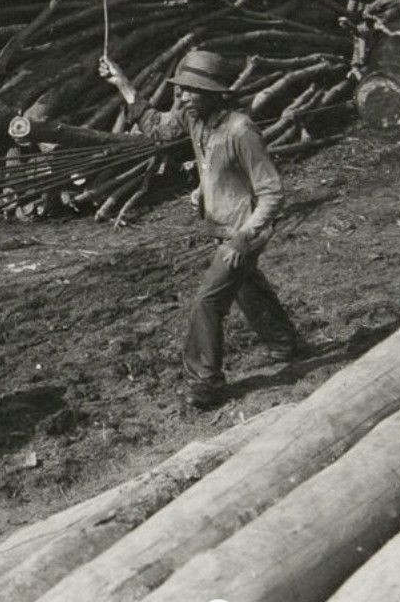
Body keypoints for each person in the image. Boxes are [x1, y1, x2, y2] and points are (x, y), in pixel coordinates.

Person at [98, 49, 298, 410]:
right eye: (182, 89)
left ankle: (205, 383)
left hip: (243, 233)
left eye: (192, 90)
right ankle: (285, 343)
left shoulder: (241, 131)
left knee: (207, 302)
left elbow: (272, 192)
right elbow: (158, 128)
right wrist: (123, 84)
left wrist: (244, 238)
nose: (183, 96)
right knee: (247, 287)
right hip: (221, 228)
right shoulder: (194, 119)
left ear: (215, 93)